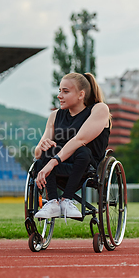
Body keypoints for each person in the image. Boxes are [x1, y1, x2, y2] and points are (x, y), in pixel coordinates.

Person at [33, 72, 110, 219]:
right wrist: (42, 146)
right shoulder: (55, 115)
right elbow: (37, 153)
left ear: (81, 95)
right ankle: (53, 203)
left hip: (87, 167)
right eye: (59, 91)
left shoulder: (99, 109)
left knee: (82, 151)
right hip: (59, 165)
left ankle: (67, 199)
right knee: (48, 148)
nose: (59, 96)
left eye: (65, 91)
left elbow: (79, 140)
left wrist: (52, 162)